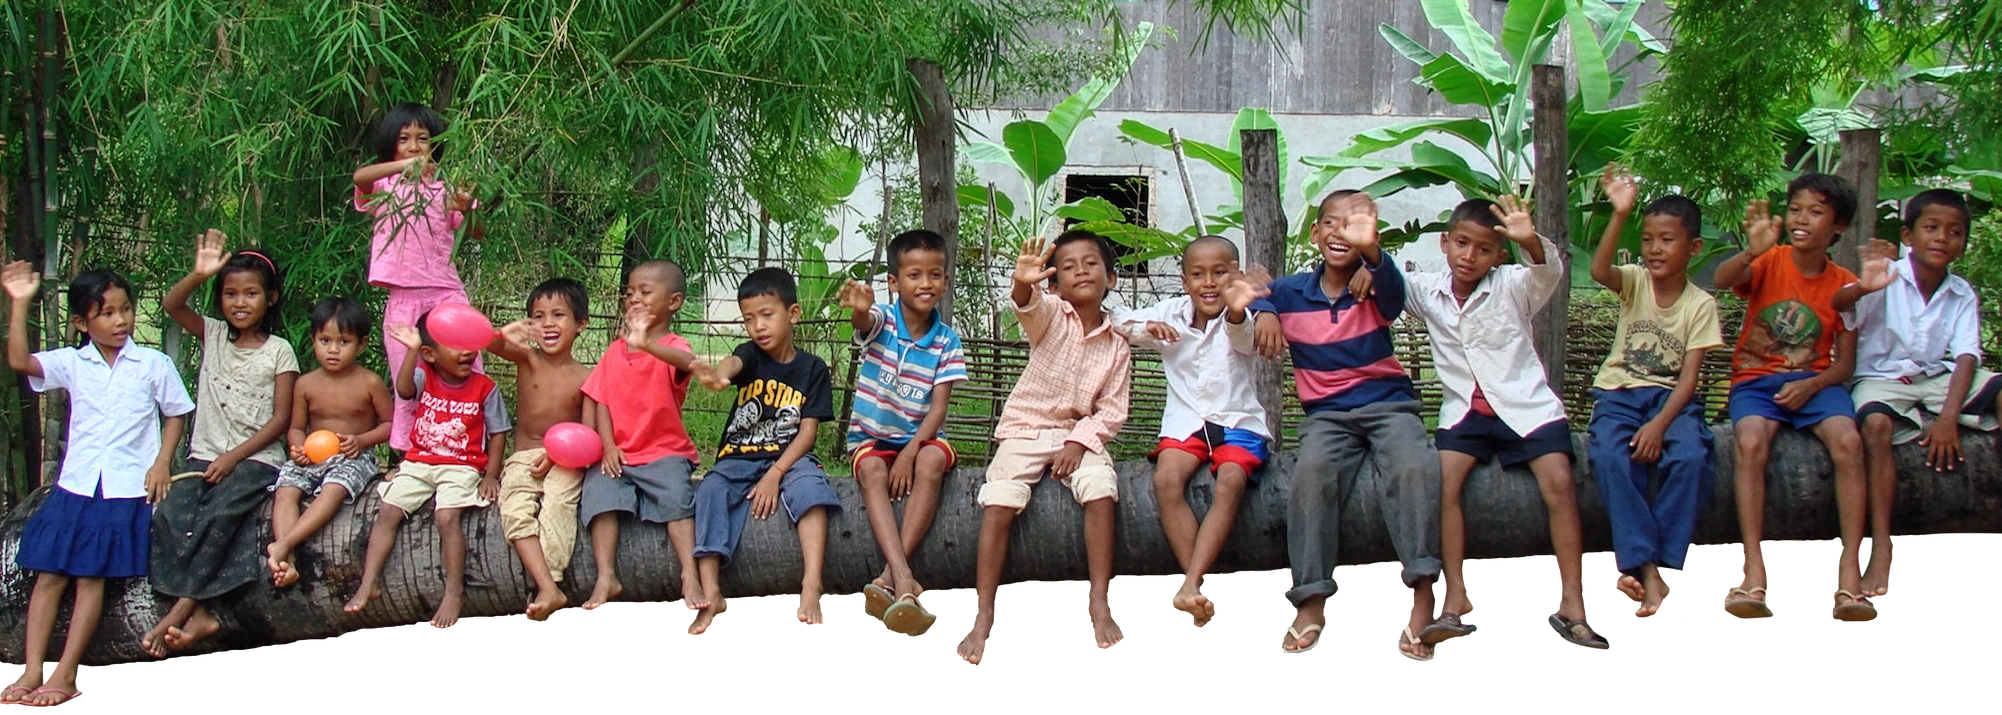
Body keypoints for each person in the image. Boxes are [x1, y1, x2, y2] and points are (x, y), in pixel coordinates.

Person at [1405, 195, 1609, 651]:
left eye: (1482, 249)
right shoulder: (1426, 289)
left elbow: (1547, 271)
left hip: (1526, 407)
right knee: (1446, 482)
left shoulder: (1514, 284)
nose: (1468, 256)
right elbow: (1387, 284)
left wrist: (1530, 241)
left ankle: (1573, 605)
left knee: (1560, 482)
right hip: (1465, 413)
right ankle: (1455, 600)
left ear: (1499, 256)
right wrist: (1366, 265)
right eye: (1461, 243)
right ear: (1444, 242)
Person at [1252, 190, 1444, 662]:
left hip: (1388, 405)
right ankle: (1312, 600)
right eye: (1333, 224)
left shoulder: (1375, 283)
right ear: (1315, 233)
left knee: (1414, 468)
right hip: (1328, 416)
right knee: (1310, 478)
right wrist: (1268, 311)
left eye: (1357, 225)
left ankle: (1422, 590)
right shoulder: (1290, 292)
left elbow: (1396, 296)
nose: (1343, 233)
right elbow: (1256, 293)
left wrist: (1374, 256)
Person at [2, 264, 192, 708]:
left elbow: (176, 413)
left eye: (125, 309)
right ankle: (31, 669)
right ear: (81, 322)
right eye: (106, 313)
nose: (121, 320)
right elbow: (18, 361)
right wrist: (18, 302)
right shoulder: (73, 363)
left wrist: (162, 462)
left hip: (125, 488)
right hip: (76, 483)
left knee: (90, 579)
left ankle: (66, 673)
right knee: (49, 576)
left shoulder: (153, 363)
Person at [956, 231, 1132, 667]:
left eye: (1090, 263)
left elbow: (1111, 412)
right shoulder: (1052, 314)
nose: (1080, 271)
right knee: (998, 501)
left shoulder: (1118, 345)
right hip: (1026, 428)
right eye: (1068, 267)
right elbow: (1027, 304)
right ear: (1055, 285)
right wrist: (1022, 282)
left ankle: (1099, 599)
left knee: (1101, 489)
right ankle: (983, 614)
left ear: (1110, 277)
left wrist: (1078, 441)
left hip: (1079, 431)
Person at [1712, 173, 1867, 623]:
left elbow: (1845, 365)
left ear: (1837, 228)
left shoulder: (1844, 283)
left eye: (1816, 212)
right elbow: (1723, 280)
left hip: (1817, 383)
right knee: (1750, 443)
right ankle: (1753, 568)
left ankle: (1849, 578)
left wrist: (1811, 386)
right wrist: (1751, 250)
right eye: (1796, 209)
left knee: (1849, 443)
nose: (1802, 219)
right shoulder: (1770, 260)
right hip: (1756, 382)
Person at [1834, 188, 1994, 615]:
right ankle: (1883, 546)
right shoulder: (1885, 274)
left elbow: (1965, 357)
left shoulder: (1960, 293)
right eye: (1931, 228)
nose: (1942, 238)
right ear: (1908, 235)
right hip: (1881, 379)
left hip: (1934, 377)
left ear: (1963, 243)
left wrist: (1948, 417)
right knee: (1876, 427)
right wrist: (1863, 286)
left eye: (1955, 232)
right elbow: (1838, 305)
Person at [142, 229, 298, 656]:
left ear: (272, 298)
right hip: (202, 455)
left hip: (257, 459)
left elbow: (282, 418)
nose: (240, 303)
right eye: (230, 293)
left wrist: (234, 457)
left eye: (251, 293)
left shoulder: (280, 350)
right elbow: (171, 305)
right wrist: (197, 274)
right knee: (170, 516)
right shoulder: (212, 334)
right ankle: (201, 611)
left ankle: (181, 612)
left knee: (221, 515)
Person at [1585, 166, 1724, 620]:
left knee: (1690, 459)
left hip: (1671, 402)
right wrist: (1620, 212)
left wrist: (1659, 425)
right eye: (1648, 239)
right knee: (1608, 456)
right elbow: (1598, 268)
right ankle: (1646, 568)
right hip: (1620, 394)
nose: (1654, 249)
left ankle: (1653, 563)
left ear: (1693, 247)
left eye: (1667, 239)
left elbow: (1689, 379)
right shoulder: (1635, 282)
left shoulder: (1700, 304)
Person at [1111, 235, 1268, 630]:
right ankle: (1192, 586)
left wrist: (1236, 311)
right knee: (1166, 480)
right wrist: (1148, 325)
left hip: (1236, 421)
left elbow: (1243, 338)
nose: (1209, 283)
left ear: (1235, 275)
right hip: (1186, 423)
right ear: (1184, 281)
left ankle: (1192, 581)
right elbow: (1117, 320)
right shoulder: (1173, 312)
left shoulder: (1244, 316)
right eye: (1198, 274)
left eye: (1220, 273)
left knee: (1231, 479)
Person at [689, 267, 845, 635]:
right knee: (710, 490)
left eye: (766, 315)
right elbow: (733, 363)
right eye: (748, 319)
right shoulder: (751, 356)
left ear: (792, 314)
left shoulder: (813, 369)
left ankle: (811, 584)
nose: (757, 326)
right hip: (740, 455)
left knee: (812, 490)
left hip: (790, 457)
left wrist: (776, 474)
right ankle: (712, 592)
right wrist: (720, 374)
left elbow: (807, 435)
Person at [342, 310, 511, 631]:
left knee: (447, 516)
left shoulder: (485, 388)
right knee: (388, 510)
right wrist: (410, 351)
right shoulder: (425, 375)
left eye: (469, 344)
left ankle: (453, 591)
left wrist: (491, 473)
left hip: (461, 466)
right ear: (430, 354)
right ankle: (369, 581)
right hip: (420, 461)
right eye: (454, 345)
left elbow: (499, 431)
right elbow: (405, 390)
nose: (466, 352)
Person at [837, 229, 966, 636]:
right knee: (872, 472)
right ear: (894, 282)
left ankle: (889, 577)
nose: (925, 284)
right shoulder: (884, 321)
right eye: (914, 275)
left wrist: (911, 451)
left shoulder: (946, 341)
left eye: (934, 275)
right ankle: (905, 581)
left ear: (945, 280)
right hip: (872, 437)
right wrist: (858, 309)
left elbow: (939, 407)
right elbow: (864, 320)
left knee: (932, 459)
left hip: (920, 436)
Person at [351, 102, 484, 454]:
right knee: (406, 376)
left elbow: (476, 232)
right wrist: (403, 167)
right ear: (390, 145)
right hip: (403, 299)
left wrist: (466, 205)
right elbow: (359, 178)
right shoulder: (384, 185)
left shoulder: (444, 188)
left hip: (447, 294)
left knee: (466, 370)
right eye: (404, 139)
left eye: (422, 139)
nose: (413, 146)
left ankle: (470, 447)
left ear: (434, 144)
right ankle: (410, 453)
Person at [578, 260, 705, 616]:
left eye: (645, 293)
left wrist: (646, 343)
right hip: (618, 451)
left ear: (674, 301)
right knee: (600, 495)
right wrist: (607, 445)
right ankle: (606, 576)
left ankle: (689, 575)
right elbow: (601, 399)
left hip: (663, 450)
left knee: (678, 499)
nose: (634, 299)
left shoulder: (673, 346)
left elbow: (687, 362)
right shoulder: (613, 351)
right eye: (629, 292)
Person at [484, 277, 594, 622]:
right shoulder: (527, 359)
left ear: (580, 324)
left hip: (567, 460)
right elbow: (485, 341)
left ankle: (551, 583)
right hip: (525, 457)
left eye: (558, 315)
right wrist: (510, 330)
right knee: (514, 508)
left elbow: (589, 433)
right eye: (538, 316)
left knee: (558, 505)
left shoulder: (587, 376)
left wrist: (561, 455)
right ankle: (547, 586)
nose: (547, 323)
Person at [266, 297, 393, 589]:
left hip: (353, 457)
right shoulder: (306, 384)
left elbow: (390, 425)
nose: (333, 349)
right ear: (313, 341)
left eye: (343, 342)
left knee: (334, 489)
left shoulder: (370, 382)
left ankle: (284, 545)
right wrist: (298, 448)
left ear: (361, 344)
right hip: (311, 456)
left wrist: (360, 441)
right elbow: (296, 427)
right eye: (325, 340)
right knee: (286, 489)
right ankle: (289, 562)